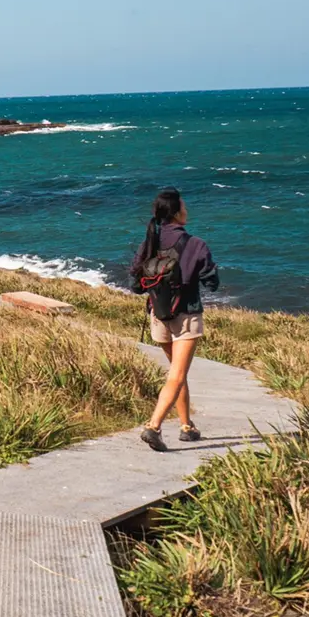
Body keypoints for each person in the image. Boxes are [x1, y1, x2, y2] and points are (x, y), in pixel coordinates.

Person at [129, 187, 220, 452]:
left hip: (158, 315)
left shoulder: (148, 243)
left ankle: (186, 426)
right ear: (177, 212)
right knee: (177, 373)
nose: (187, 210)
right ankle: (154, 427)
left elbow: (135, 285)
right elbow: (212, 282)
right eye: (184, 206)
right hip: (186, 315)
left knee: (176, 374)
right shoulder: (196, 244)